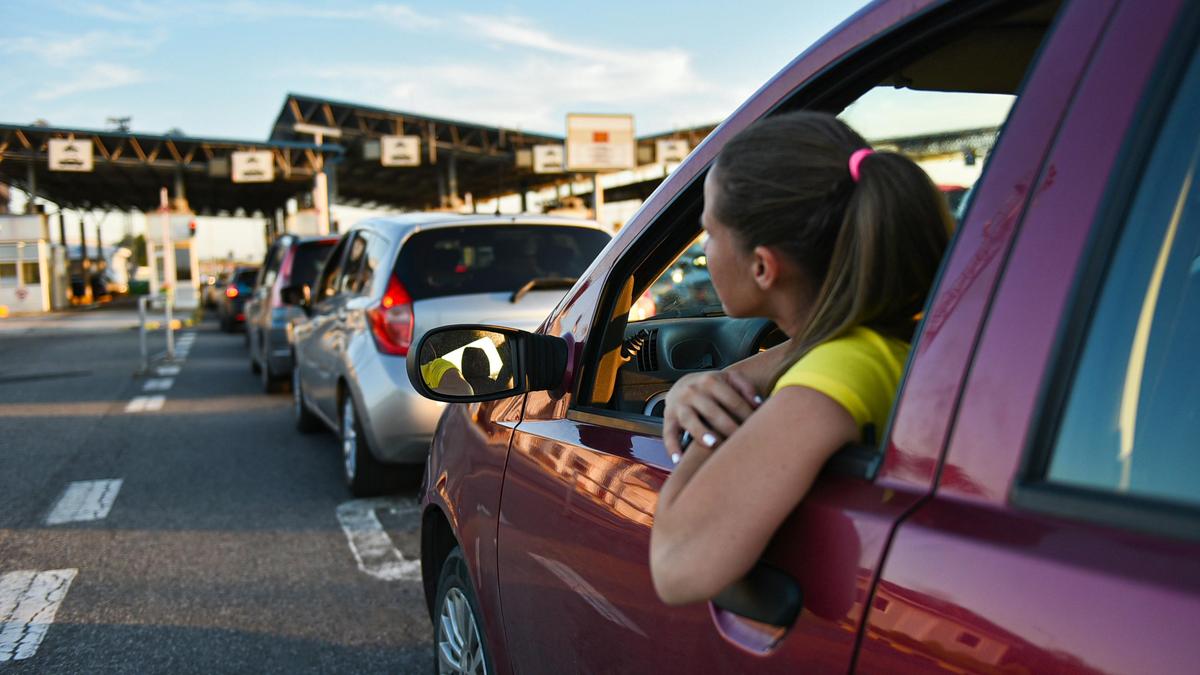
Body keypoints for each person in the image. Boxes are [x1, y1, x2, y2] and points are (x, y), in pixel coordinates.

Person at [649, 111, 951, 605]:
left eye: (710, 232)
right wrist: (700, 386)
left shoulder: (836, 373)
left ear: (763, 266)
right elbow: (800, 355)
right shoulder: (869, 347)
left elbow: (677, 566)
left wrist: (709, 433)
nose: (705, 248)